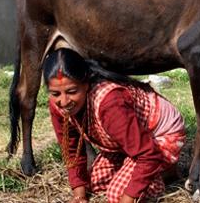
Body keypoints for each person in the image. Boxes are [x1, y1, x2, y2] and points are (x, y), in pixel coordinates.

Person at [43, 48, 186, 203]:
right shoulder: (58, 106)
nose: (64, 102)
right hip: (131, 140)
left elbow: (147, 154)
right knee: (93, 183)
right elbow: (71, 150)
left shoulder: (110, 104)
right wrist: (79, 195)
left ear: (86, 83)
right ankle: (139, 166)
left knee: (117, 195)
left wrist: (129, 197)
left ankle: (164, 174)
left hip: (159, 135)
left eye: (72, 91)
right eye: (56, 94)